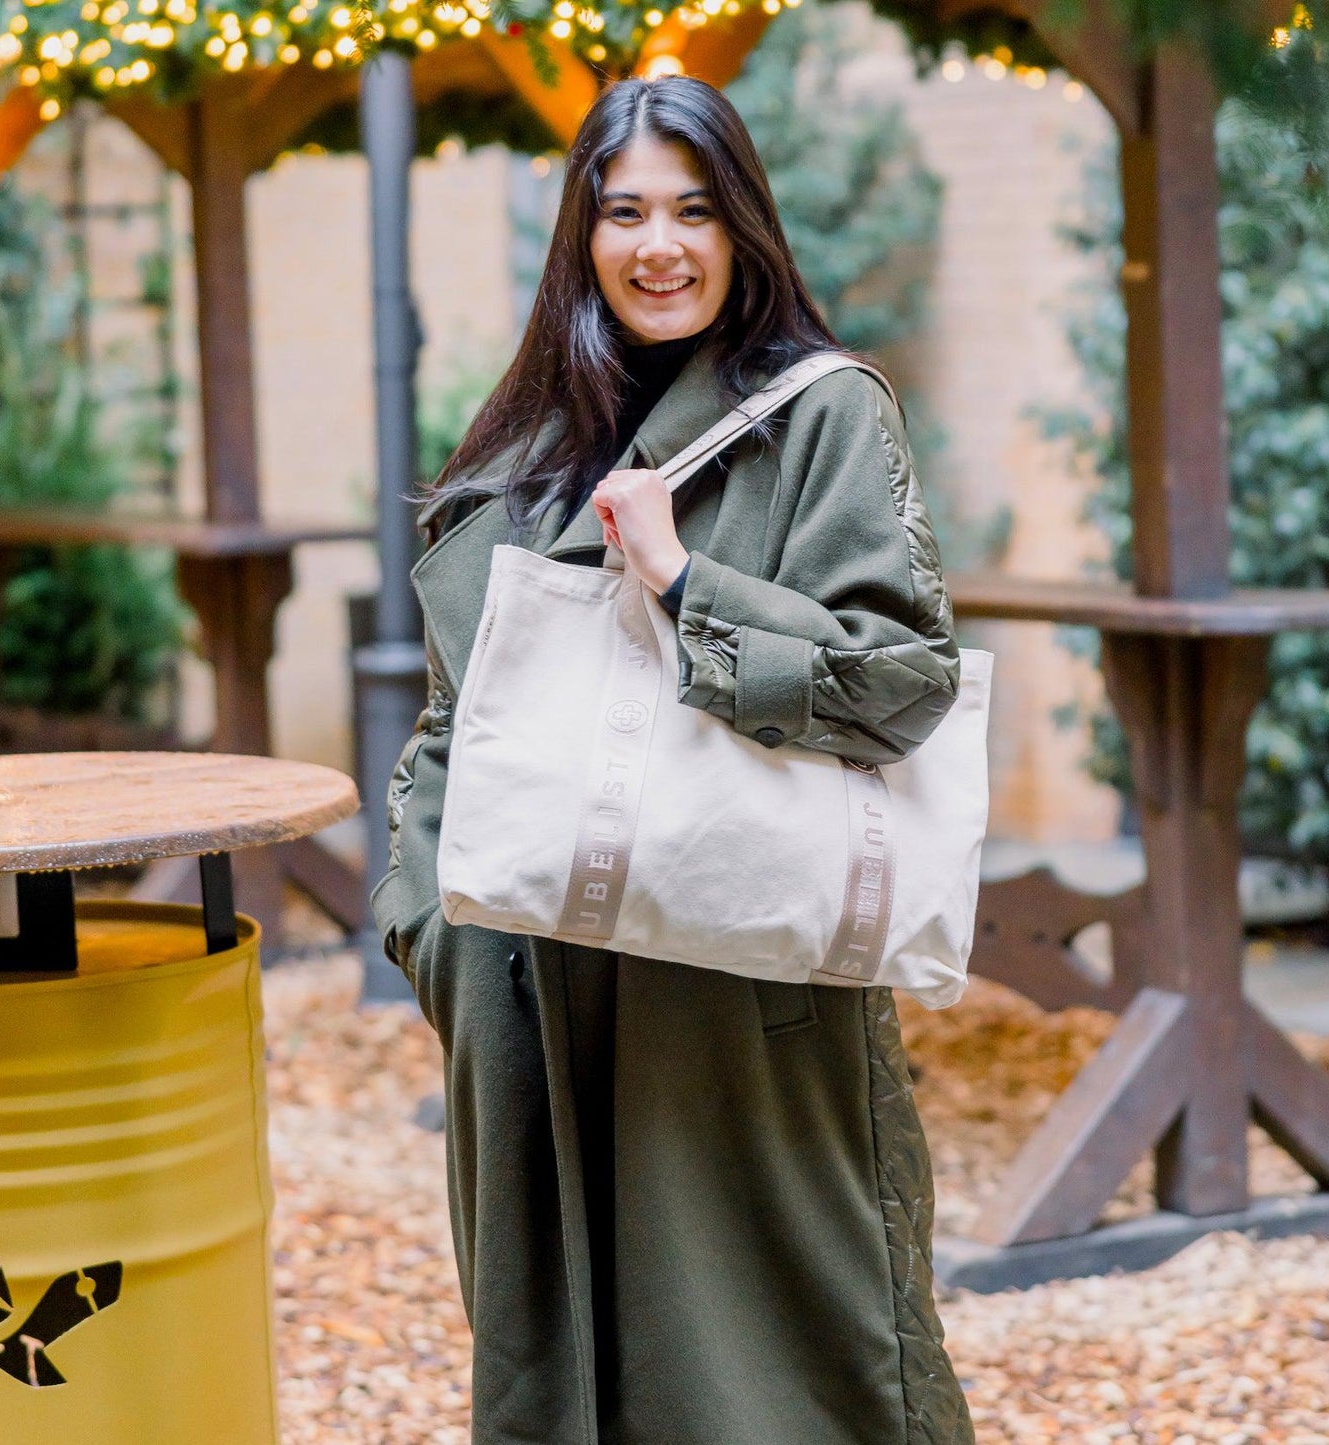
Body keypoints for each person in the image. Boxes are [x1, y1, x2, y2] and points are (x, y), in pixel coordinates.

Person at [372, 74, 975, 1445]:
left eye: (694, 211)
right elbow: (448, 722)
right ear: (580, 234)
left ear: (742, 225)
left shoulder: (820, 414)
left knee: (781, 1368)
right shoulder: (522, 442)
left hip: (737, 1001)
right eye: (626, 210)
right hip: (526, 996)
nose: (661, 246)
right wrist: (430, 929)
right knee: (559, 1369)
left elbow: (899, 684)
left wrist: (686, 578)